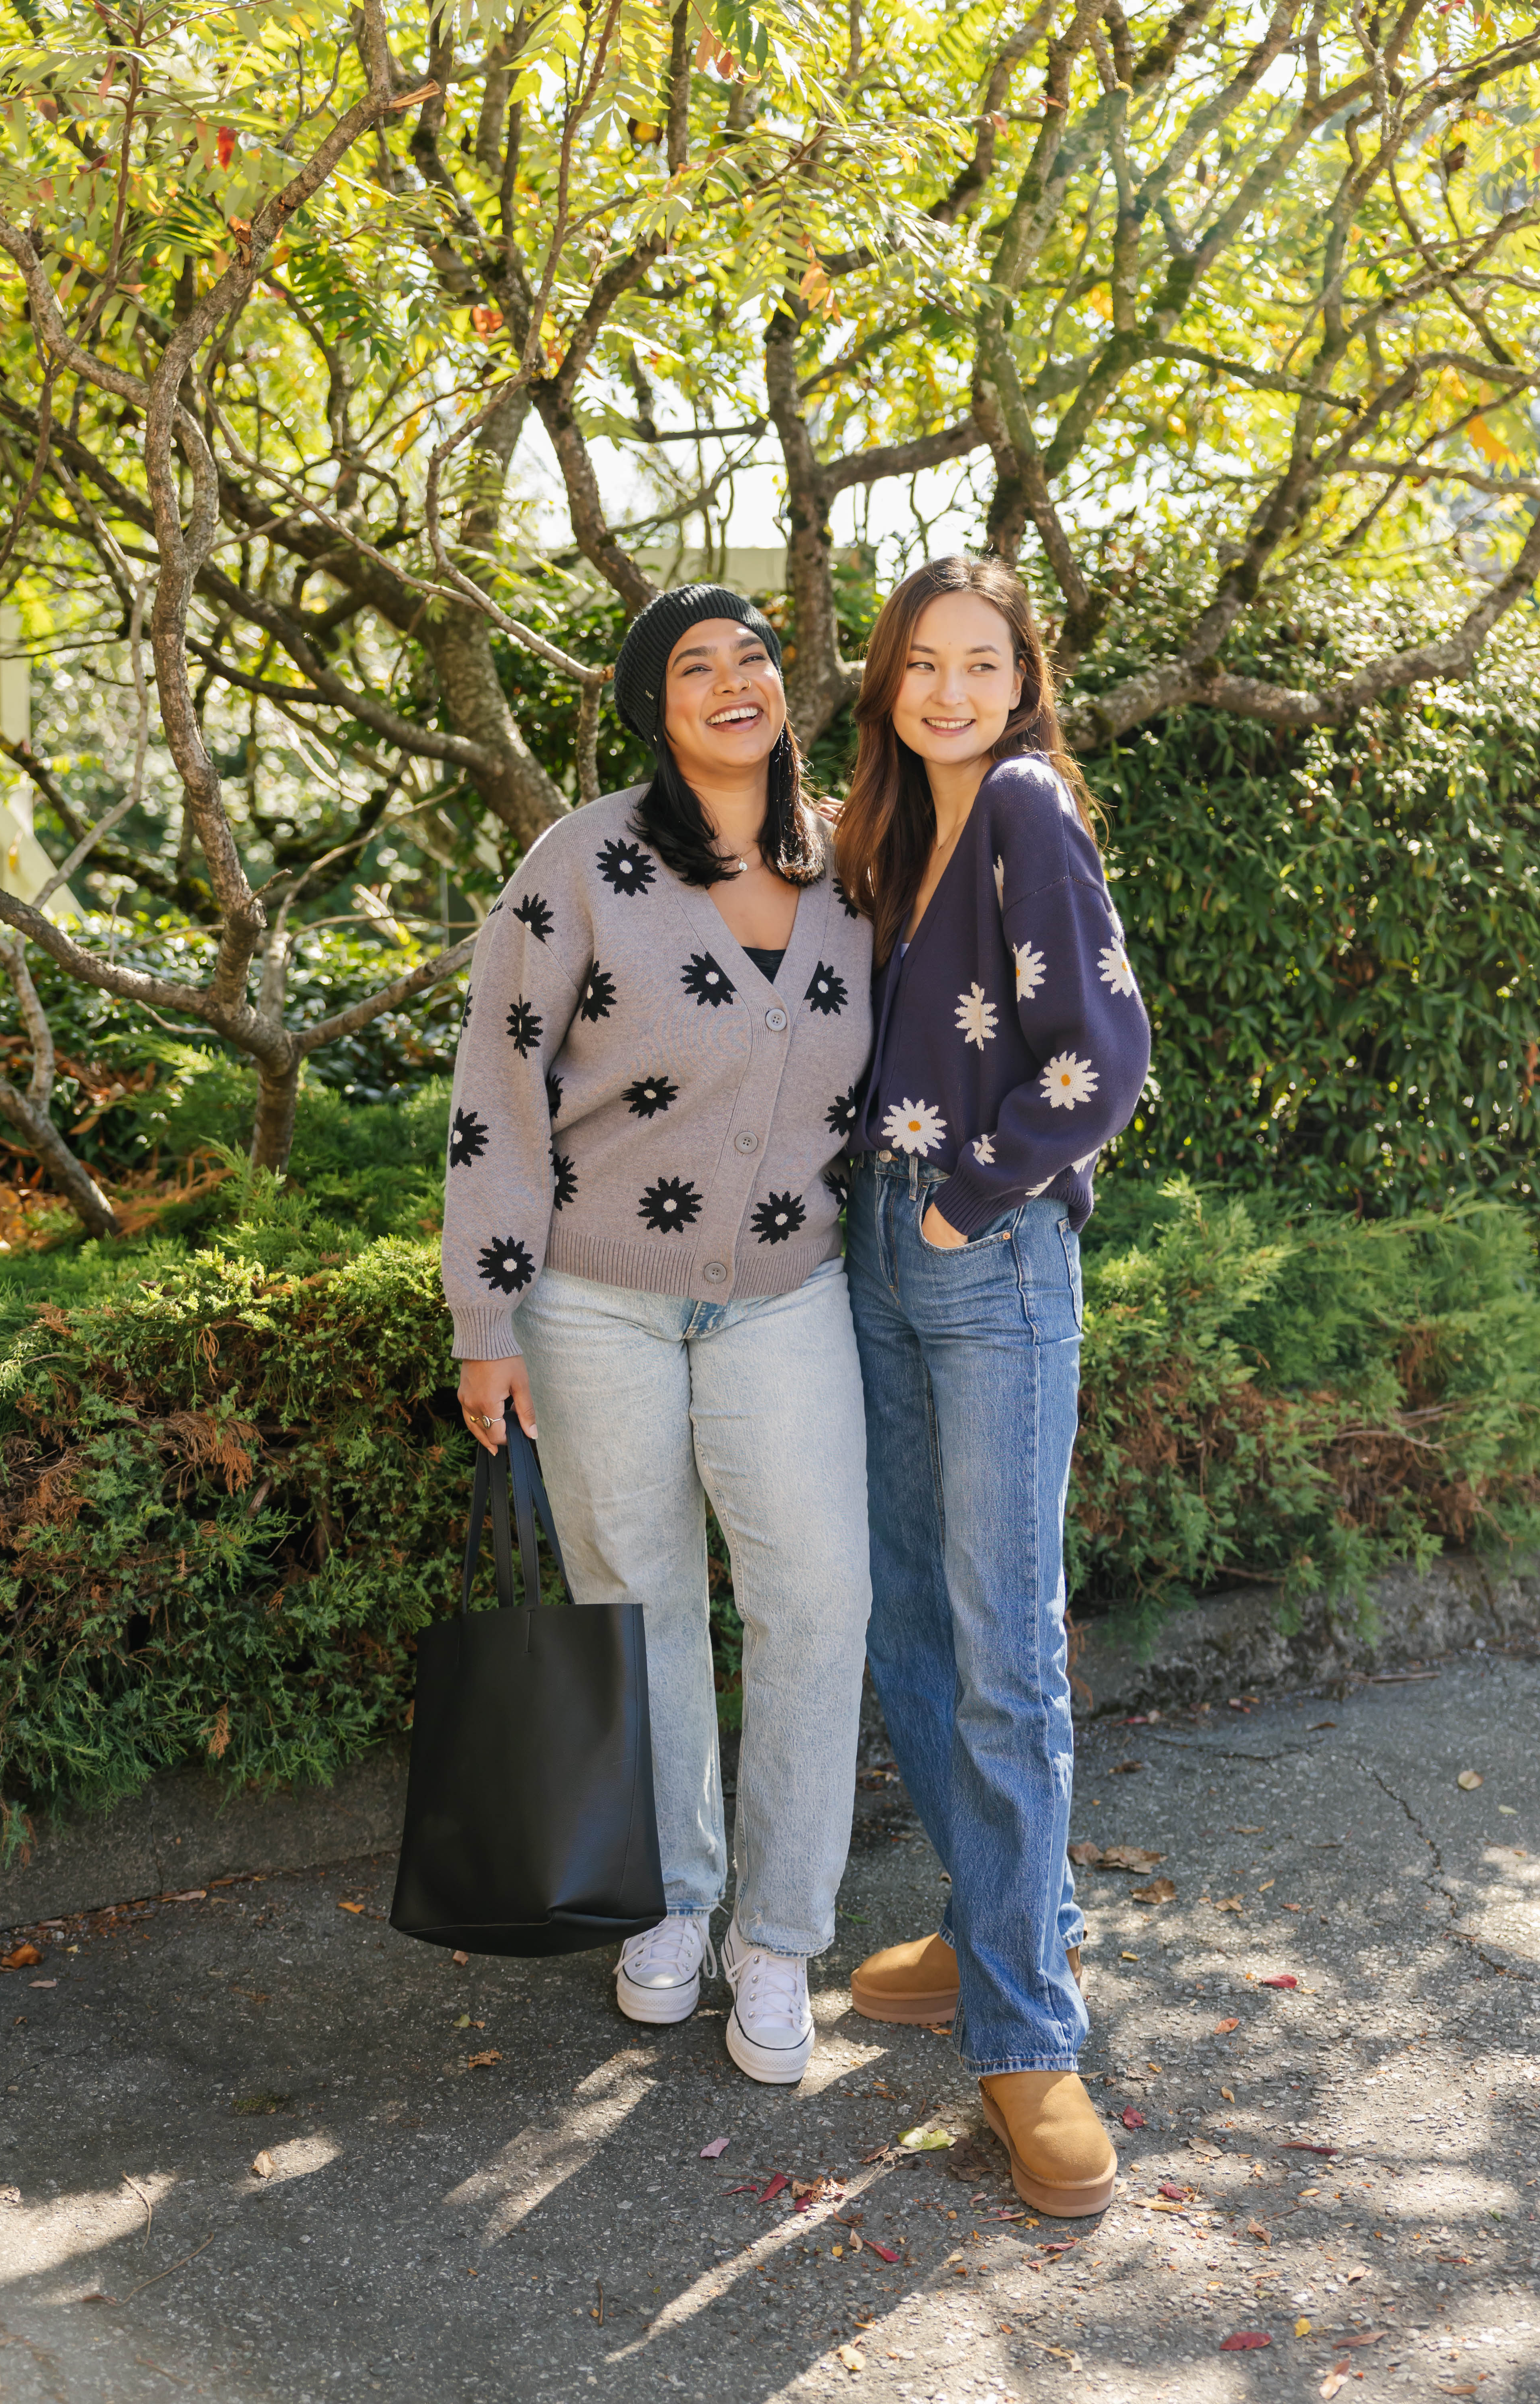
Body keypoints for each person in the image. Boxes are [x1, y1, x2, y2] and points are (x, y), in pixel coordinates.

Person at [441, 585, 874, 2085]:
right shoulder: (585, 863)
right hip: (593, 1298)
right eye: (694, 666)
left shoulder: (854, 871)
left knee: (817, 1597)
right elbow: (495, 1081)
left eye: (752, 655)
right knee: (640, 1601)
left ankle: (781, 1938)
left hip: (787, 1294)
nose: (733, 680)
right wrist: (484, 1313)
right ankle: (676, 1907)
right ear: (654, 708)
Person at [832, 555, 1151, 2216]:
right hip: (876, 1253)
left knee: (1003, 1648)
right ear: (885, 679)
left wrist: (969, 1197)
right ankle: (980, 1929)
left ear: (1026, 677)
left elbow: (1106, 1056)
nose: (949, 690)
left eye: (982, 662)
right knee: (910, 1620)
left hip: (984, 1252)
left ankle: (1031, 2029)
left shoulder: (1023, 805)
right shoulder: (887, 830)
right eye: (921, 664)